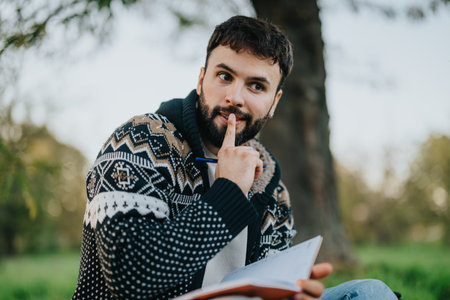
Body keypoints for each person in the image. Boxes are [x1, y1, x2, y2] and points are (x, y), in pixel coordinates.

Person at [72, 15, 399, 300]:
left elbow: (263, 287)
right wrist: (227, 191)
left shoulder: (271, 184)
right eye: (225, 76)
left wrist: (288, 294)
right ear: (201, 79)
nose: (235, 98)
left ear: (274, 101)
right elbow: (131, 279)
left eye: (256, 86)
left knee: (371, 294)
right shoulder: (141, 141)